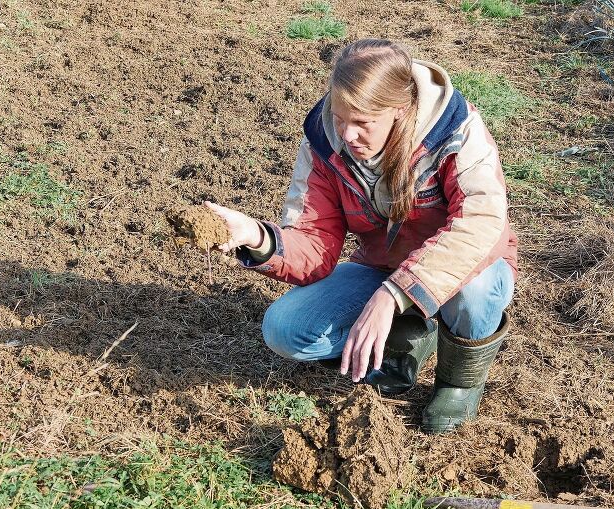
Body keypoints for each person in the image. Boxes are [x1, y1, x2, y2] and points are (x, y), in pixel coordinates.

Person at [206, 38, 517, 434]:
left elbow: (481, 224)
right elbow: (313, 241)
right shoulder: (323, 143)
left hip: (470, 268)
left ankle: (459, 382)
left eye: (362, 122)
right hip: (382, 265)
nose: (347, 135)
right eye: (340, 117)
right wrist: (256, 235)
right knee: (285, 330)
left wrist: (394, 295)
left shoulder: (456, 132)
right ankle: (408, 333)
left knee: (474, 294)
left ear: (398, 112)